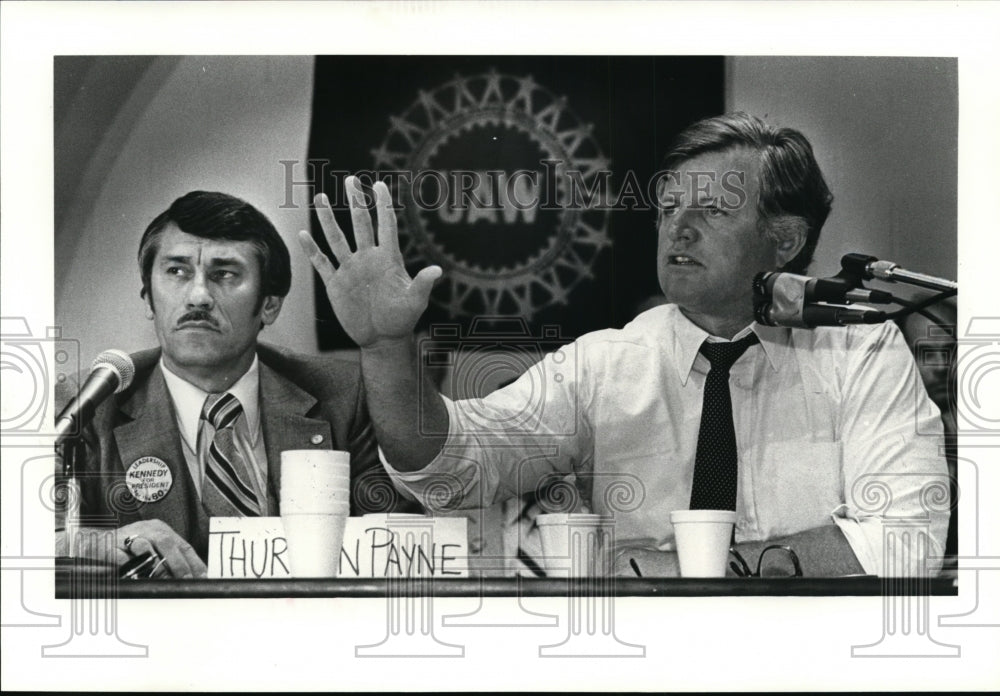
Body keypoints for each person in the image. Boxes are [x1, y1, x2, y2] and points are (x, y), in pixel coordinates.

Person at [299, 112, 949, 577]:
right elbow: (453, 470)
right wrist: (387, 347)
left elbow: (900, 547)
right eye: (667, 209)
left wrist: (680, 572)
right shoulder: (606, 361)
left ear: (784, 240)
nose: (678, 229)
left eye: (712, 211)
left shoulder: (862, 352)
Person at [56, 191, 418, 578]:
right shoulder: (87, 404)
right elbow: (19, 538)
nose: (198, 297)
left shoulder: (344, 396)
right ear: (149, 299)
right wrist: (103, 543)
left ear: (269, 306)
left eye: (224, 274)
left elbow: (398, 541)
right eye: (176, 271)